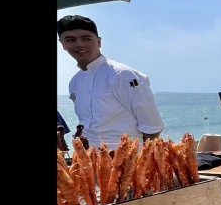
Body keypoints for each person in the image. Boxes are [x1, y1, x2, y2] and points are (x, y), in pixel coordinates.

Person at [58, 15, 164, 148]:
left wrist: (142, 157)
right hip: (88, 156)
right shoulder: (74, 82)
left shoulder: (123, 75)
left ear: (98, 42)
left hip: (127, 155)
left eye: (86, 38)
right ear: (62, 44)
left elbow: (152, 127)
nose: (79, 44)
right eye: (70, 40)